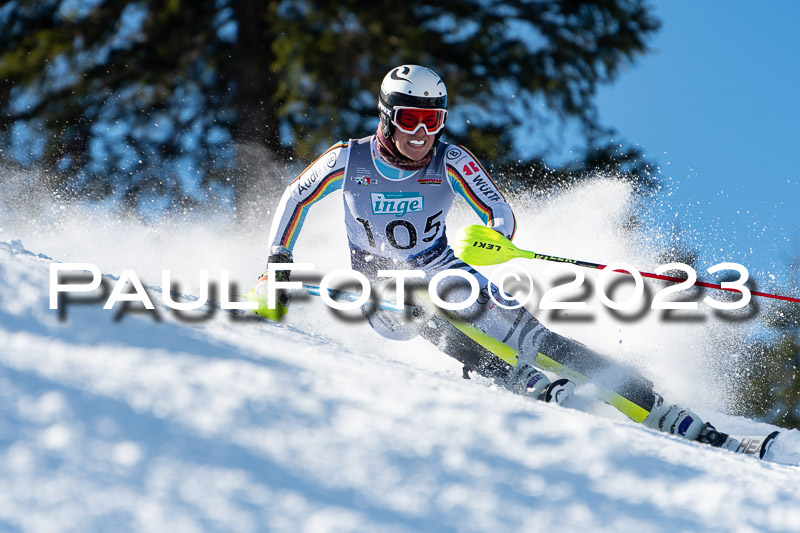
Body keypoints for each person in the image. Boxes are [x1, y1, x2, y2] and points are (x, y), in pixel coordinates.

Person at [253, 64, 737, 450]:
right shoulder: (347, 158)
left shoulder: (452, 159)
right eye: (409, 120)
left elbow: (499, 213)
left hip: (442, 266)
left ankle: (654, 405)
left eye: (432, 121)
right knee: (407, 302)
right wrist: (278, 259)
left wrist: (493, 240)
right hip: (380, 283)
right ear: (386, 117)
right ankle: (511, 376)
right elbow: (295, 198)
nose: (422, 134)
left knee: (532, 333)